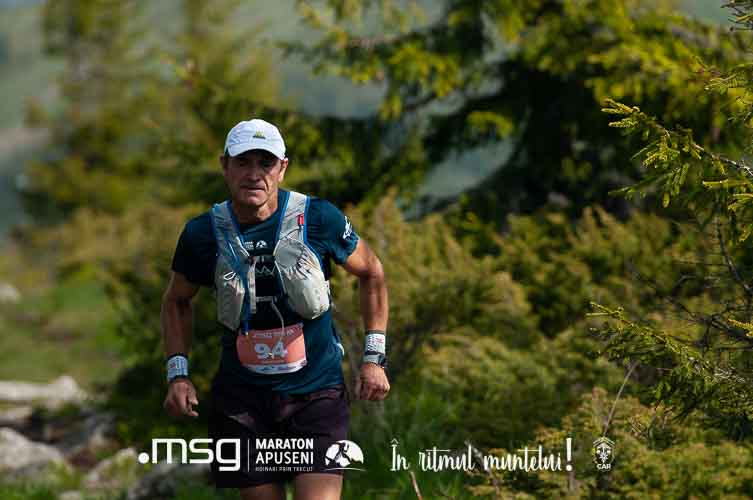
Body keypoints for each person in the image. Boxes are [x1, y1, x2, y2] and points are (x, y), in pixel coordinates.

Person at [160, 118, 390, 500]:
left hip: (316, 394)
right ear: (224, 166)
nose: (254, 174)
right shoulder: (202, 233)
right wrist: (178, 374)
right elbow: (176, 299)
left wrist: (374, 358)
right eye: (243, 162)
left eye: (265, 163)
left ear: (282, 168)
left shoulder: (318, 218)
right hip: (242, 402)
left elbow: (372, 272)